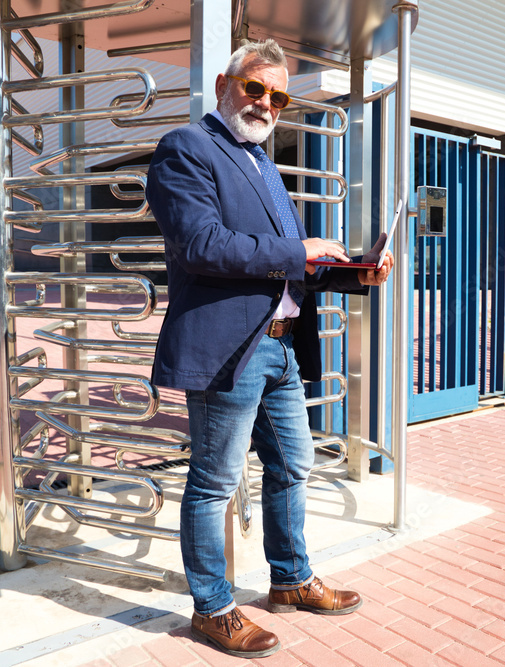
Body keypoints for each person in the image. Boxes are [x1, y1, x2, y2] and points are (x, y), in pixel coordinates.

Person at [145, 38, 393, 659]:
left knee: (293, 466)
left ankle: (290, 579)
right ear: (227, 83)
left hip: (282, 348)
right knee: (214, 480)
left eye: (278, 96)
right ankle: (214, 608)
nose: (266, 103)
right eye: (255, 88)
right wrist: (299, 249)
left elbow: (289, 266)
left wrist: (350, 271)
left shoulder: (262, 162)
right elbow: (201, 244)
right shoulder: (187, 149)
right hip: (231, 348)